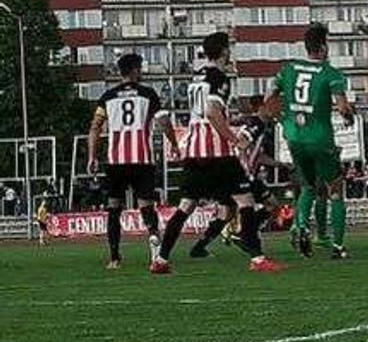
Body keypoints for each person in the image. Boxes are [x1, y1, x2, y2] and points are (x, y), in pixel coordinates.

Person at [151, 32, 282, 274]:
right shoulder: (219, 78)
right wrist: (233, 139)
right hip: (217, 152)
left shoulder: (195, 78)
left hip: (193, 151)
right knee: (246, 201)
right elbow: (212, 112)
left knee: (186, 206)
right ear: (223, 51)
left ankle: (161, 259)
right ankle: (257, 258)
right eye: (228, 48)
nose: (230, 52)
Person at [264, 23, 355, 259]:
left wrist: (283, 120)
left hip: (294, 138)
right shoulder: (331, 73)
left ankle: (301, 226)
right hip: (320, 138)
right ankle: (338, 246)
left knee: (307, 186)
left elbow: (269, 99)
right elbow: (342, 106)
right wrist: (348, 115)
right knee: (335, 189)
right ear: (323, 47)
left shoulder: (288, 69)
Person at [87, 53, 179, 269]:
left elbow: (95, 127)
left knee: (113, 209)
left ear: (120, 72)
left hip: (115, 161)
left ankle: (114, 258)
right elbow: (164, 121)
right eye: (140, 67)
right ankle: (155, 249)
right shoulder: (148, 94)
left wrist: (92, 156)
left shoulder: (107, 97)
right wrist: (173, 143)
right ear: (135, 70)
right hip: (142, 159)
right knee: (147, 206)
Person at [189, 95, 283, 258]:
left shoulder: (262, 125)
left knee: (227, 213)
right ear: (262, 107)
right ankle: (245, 235)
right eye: (274, 105)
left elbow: (258, 156)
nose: (277, 108)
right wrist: (240, 151)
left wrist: (280, 165)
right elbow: (241, 141)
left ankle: (199, 247)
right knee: (271, 204)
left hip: (232, 172)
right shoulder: (255, 124)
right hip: (240, 174)